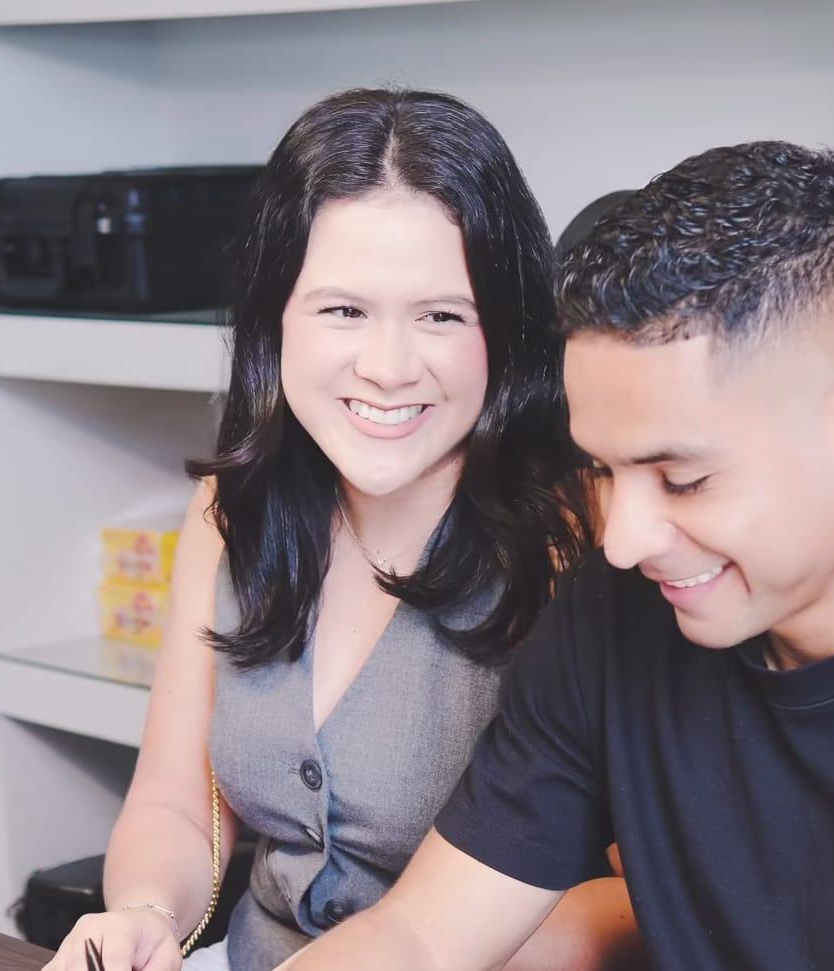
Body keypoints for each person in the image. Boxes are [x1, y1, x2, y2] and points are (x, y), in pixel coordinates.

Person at [280, 140, 834, 971]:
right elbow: (419, 935)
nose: (622, 540)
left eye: (683, 479)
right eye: (601, 470)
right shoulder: (612, 617)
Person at [43, 89, 646, 971]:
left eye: (442, 315)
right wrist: (143, 912)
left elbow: (648, 895)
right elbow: (176, 801)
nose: (388, 367)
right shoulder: (232, 509)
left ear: (507, 329)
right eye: (343, 311)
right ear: (274, 317)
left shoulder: (585, 538)